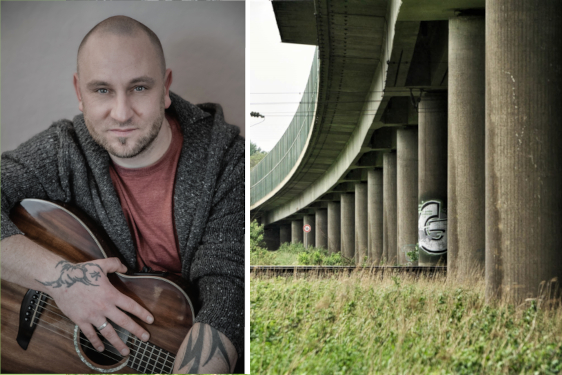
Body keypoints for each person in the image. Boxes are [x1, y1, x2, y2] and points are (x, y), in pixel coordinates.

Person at [0, 15, 244, 374]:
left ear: (165, 87)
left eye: (139, 88)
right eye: (102, 90)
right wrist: (65, 284)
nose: (121, 112)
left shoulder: (226, 163)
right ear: (79, 92)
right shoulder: (65, 151)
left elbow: (228, 296)